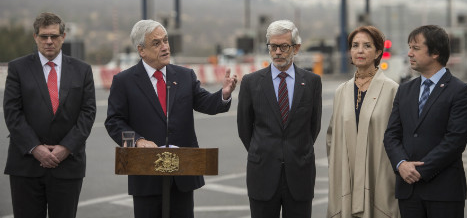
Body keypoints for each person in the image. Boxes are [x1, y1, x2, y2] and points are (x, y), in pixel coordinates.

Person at [105, 19, 238, 218]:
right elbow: (114, 121)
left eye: (166, 41)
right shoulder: (124, 81)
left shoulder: (185, 76)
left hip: (181, 173)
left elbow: (207, 104)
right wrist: (138, 141)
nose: (165, 47)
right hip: (146, 174)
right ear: (141, 50)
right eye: (156, 43)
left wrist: (224, 94)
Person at [3, 12, 97, 218]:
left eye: (54, 36)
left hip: (68, 164)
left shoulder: (82, 70)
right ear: (35, 37)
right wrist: (35, 148)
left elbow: (88, 113)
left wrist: (66, 147)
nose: (49, 41)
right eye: (44, 36)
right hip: (26, 165)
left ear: (63, 37)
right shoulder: (18, 68)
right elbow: (12, 113)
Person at [383, 25, 467, 218]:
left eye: (415, 48)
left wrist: (418, 170)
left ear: (435, 52)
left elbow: (455, 141)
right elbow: (391, 134)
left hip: (443, 191)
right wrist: (401, 164)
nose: (409, 54)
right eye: (409, 48)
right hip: (408, 192)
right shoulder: (405, 90)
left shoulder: (460, 91)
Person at [237, 20, 322, 218]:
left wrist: (295, 151)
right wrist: (266, 151)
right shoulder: (251, 83)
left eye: (284, 46)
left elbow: (313, 127)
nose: (277, 52)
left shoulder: (311, 82)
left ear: (296, 48)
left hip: (299, 174)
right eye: (273, 46)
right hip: (263, 174)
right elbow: (244, 128)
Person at [327, 25, 399, 218]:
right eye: (355, 45)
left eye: (367, 46)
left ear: (378, 52)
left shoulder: (392, 89)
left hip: (380, 176)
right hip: (345, 175)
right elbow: (331, 137)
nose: (360, 50)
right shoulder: (341, 91)